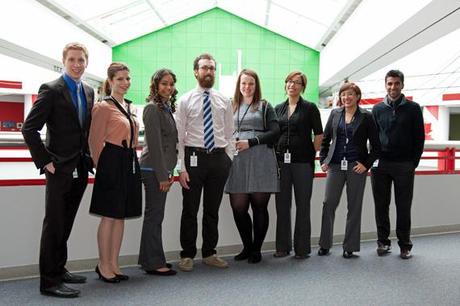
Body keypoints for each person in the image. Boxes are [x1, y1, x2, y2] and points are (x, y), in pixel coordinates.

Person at [22, 42, 94, 298]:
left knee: (66, 222)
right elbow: (29, 129)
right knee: (53, 224)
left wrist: (88, 159)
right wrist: (45, 161)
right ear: (64, 61)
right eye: (72, 60)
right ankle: (49, 282)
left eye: (81, 60)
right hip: (58, 169)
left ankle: (59, 269)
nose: (77, 64)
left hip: (79, 168)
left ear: (87, 63)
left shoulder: (88, 91)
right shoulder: (51, 90)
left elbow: (83, 130)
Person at [175, 53, 234, 272]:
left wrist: (228, 158)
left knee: (212, 210)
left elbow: (230, 133)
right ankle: (187, 254)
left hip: (219, 159)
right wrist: (181, 167)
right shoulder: (185, 100)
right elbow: (179, 136)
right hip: (194, 159)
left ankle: (209, 253)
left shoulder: (223, 100)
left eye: (211, 68)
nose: (208, 72)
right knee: (189, 209)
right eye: (204, 68)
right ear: (196, 72)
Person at [89, 62, 142, 282]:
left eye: (127, 78)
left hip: (128, 160)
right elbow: (94, 141)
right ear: (110, 81)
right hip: (111, 161)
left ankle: (114, 263)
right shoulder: (103, 107)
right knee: (109, 216)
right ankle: (103, 265)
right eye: (120, 79)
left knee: (120, 216)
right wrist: (102, 168)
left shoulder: (130, 107)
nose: (125, 83)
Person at [318, 82, 380, 258]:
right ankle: (324, 244)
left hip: (356, 167)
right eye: (343, 94)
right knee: (328, 203)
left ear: (357, 97)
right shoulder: (335, 113)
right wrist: (324, 160)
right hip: (336, 166)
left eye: (350, 94)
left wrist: (366, 164)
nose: (346, 98)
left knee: (354, 207)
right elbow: (325, 140)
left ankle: (350, 246)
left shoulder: (366, 117)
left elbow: (376, 147)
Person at [224, 69, 280, 264]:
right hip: (237, 161)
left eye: (251, 84)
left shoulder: (265, 106)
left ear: (256, 86)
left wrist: (251, 142)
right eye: (243, 83)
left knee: (259, 206)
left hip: (261, 158)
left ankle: (256, 249)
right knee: (238, 207)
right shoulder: (230, 106)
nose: (247, 87)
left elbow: (275, 132)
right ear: (238, 85)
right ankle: (247, 246)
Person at [371, 70, 425, 259]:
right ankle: (383, 242)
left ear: (402, 85)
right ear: (385, 85)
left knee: (403, 206)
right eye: (389, 84)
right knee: (381, 205)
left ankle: (405, 245)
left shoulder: (413, 108)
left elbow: (419, 138)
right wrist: (373, 162)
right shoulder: (377, 109)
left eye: (396, 83)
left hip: (404, 165)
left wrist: (412, 163)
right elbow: (373, 138)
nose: (392, 87)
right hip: (381, 165)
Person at [274, 71, 323, 259]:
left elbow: (319, 134)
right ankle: (282, 247)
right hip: (281, 163)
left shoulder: (310, 108)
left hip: (303, 163)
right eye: (289, 81)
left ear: (303, 87)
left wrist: (312, 152)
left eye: (297, 82)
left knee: (303, 205)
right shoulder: (278, 108)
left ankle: (302, 248)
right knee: (282, 205)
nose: (292, 85)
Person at [138, 69, 178, 276]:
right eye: (164, 83)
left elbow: (170, 144)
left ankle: (150, 259)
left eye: (171, 84)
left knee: (155, 215)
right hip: (152, 169)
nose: (168, 88)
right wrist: (163, 176)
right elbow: (154, 145)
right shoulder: (152, 109)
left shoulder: (166, 108)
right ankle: (153, 262)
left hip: (161, 169)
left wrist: (169, 172)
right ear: (155, 85)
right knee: (154, 216)